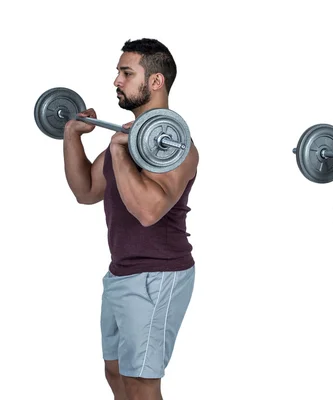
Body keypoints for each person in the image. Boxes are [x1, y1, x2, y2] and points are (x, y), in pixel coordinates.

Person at [62, 38, 199, 400]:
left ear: (155, 82)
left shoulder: (177, 148)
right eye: (119, 73)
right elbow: (87, 191)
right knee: (116, 372)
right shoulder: (126, 139)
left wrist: (119, 151)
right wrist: (72, 137)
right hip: (121, 271)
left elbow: (149, 211)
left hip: (158, 274)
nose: (117, 81)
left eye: (126, 73)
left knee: (142, 384)